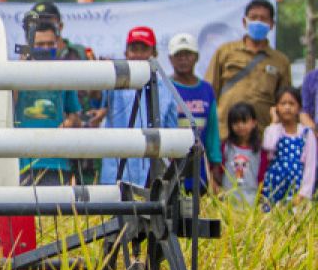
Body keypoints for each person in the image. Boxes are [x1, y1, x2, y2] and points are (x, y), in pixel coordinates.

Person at [94, 26, 178, 186]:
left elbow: (171, 134)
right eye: (134, 49)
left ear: (154, 54)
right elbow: (95, 95)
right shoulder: (113, 83)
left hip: (152, 176)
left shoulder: (167, 89)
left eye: (144, 49)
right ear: (126, 53)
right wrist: (100, 70)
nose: (138, 55)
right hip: (116, 174)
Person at [206, 0, 291, 139]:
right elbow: (209, 91)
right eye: (253, 18)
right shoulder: (225, 51)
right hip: (224, 132)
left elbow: (285, 101)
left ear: (272, 25)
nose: (258, 22)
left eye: (263, 19)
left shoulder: (281, 61)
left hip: (262, 135)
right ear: (244, 22)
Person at [14, 18, 81, 185]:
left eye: (50, 44)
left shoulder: (64, 73)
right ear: (29, 45)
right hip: (23, 162)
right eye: (40, 44)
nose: (46, 49)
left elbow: (75, 115)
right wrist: (18, 69)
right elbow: (8, 106)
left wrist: (68, 123)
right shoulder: (15, 73)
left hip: (57, 162)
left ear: (57, 43)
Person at [168, 32, 222, 189]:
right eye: (178, 55)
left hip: (200, 168)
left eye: (188, 54)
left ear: (196, 57)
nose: (183, 59)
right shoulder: (164, 87)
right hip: (172, 167)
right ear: (170, 59)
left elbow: (212, 130)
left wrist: (215, 164)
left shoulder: (206, 89)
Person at [260, 87, 316, 206]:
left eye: (291, 103)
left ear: (299, 107)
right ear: (276, 107)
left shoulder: (306, 133)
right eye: (283, 103)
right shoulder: (273, 129)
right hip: (273, 186)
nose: (287, 107)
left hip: (296, 187)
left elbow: (310, 166)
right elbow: (268, 145)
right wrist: (274, 121)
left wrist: (304, 193)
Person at [217, 102, 267, 206]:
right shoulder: (226, 147)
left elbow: (262, 176)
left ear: (254, 123)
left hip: (251, 200)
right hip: (228, 200)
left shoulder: (260, 151)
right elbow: (218, 170)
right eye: (235, 122)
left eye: (244, 121)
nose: (240, 126)